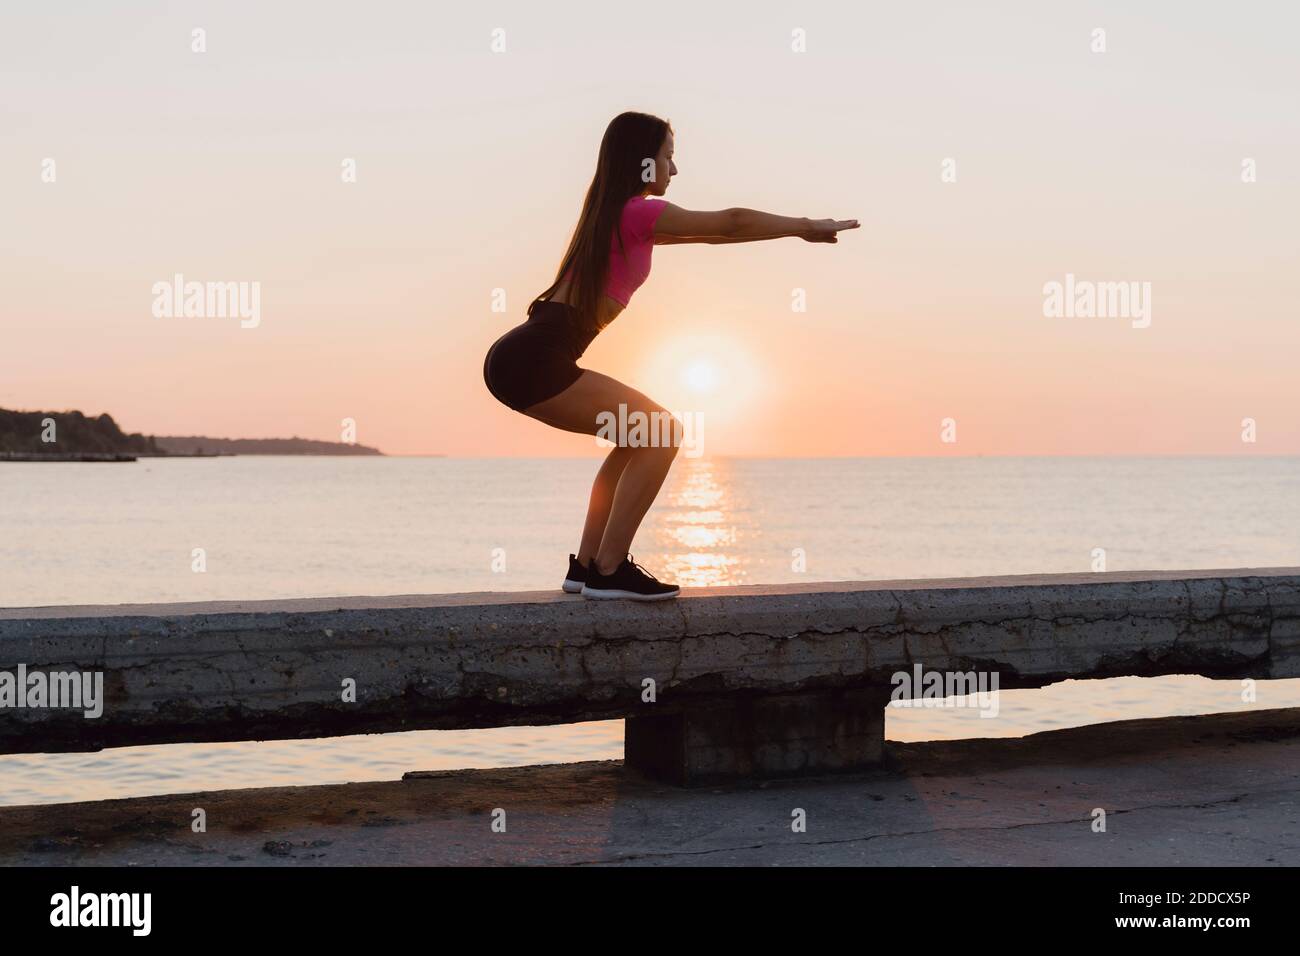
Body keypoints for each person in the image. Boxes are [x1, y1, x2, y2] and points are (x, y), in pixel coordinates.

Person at [483, 111, 858, 600]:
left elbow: (721, 232)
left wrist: (789, 233)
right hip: (534, 358)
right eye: (668, 157)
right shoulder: (637, 214)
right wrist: (805, 225)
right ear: (643, 162)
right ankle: (609, 570)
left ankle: (588, 566)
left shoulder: (620, 216)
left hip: (521, 356)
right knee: (661, 431)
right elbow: (732, 220)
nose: (674, 170)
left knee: (639, 435)